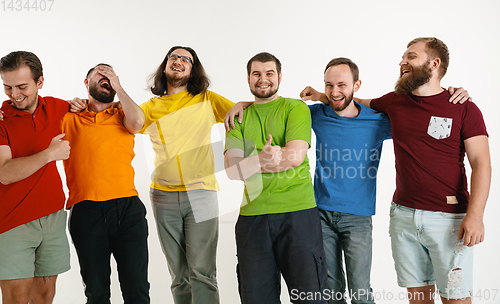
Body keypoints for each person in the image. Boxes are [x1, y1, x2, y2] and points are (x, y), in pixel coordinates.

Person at [307, 38, 490, 303]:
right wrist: (324, 95)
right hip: (403, 216)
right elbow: (351, 102)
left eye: (411, 57)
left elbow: (482, 163)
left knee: (456, 297)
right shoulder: (395, 103)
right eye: (402, 57)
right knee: (417, 297)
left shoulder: (464, 107)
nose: (402, 61)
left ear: (433, 63)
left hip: (448, 219)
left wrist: (476, 215)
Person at [224, 52, 328, 304]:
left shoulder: (294, 107)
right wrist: (263, 159)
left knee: (310, 298)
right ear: (248, 78)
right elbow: (231, 170)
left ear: (279, 77)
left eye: (269, 73)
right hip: (252, 219)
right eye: (256, 74)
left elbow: (293, 156)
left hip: (298, 214)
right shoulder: (238, 117)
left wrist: (251, 163)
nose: (263, 79)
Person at [139, 46, 234, 304]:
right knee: (179, 274)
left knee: (202, 272)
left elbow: (242, 115)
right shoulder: (150, 107)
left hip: (201, 193)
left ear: (193, 69)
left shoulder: (207, 99)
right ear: (165, 65)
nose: (178, 61)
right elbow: (118, 119)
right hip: (162, 197)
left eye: (186, 59)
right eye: (173, 57)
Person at [62, 64, 149, 303]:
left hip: (127, 208)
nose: (106, 78)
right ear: (86, 82)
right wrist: (68, 103)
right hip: (86, 210)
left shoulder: (123, 115)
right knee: (97, 292)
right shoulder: (69, 118)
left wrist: (118, 87)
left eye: (111, 75)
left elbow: (139, 121)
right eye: (100, 74)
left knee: (137, 289)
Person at [0, 51, 72, 304]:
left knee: (45, 296)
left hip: (53, 218)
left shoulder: (57, 107)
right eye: (7, 87)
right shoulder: (1, 121)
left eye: (22, 86)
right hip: (12, 222)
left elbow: (99, 108)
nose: (14, 94)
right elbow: (4, 173)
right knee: (16, 300)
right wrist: (50, 154)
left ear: (40, 82)